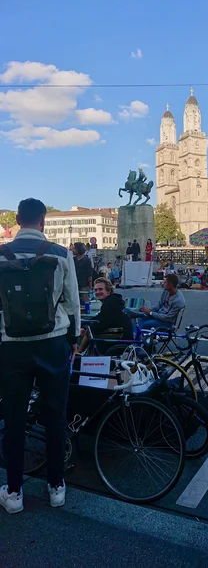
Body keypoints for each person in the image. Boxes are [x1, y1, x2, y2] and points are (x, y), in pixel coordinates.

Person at [0, 198, 80, 514]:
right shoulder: (61, 255)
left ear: (18, 219)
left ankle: (15, 491)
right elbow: (72, 302)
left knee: (15, 418)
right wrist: (73, 340)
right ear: (44, 221)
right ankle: (56, 486)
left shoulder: (1, 255)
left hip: (12, 344)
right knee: (55, 416)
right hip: (53, 342)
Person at [78, 278, 133, 353]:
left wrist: (86, 328)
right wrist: (85, 325)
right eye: (96, 290)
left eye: (100, 289)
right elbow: (100, 318)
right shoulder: (113, 301)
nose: (97, 292)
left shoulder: (111, 303)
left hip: (117, 340)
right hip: (121, 336)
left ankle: (79, 352)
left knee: (88, 331)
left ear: (108, 291)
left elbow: (101, 324)